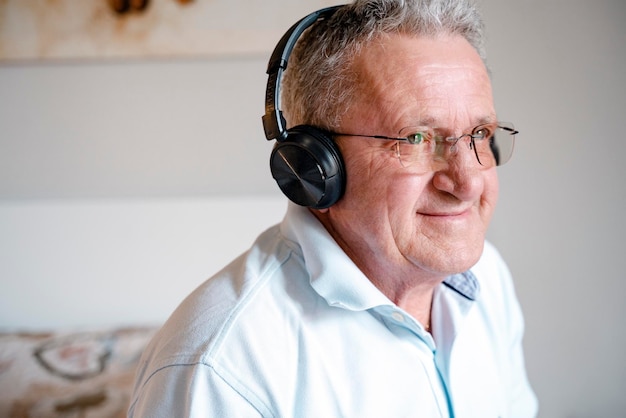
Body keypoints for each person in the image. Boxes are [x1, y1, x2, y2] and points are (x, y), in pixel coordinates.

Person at [128, 0, 538, 416]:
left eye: (480, 133)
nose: (468, 183)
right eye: (416, 139)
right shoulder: (224, 370)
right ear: (316, 168)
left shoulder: (486, 277)